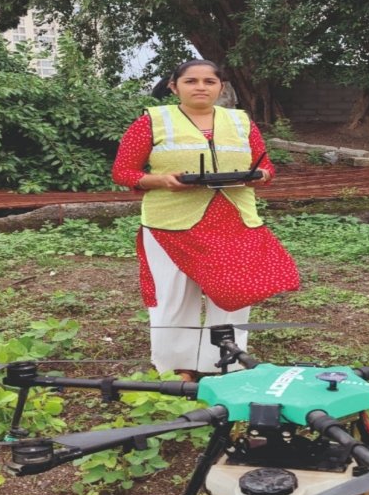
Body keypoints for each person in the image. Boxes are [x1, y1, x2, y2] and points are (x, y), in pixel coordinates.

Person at [112, 59, 300, 381]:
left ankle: (224, 365)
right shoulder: (152, 122)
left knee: (234, 295)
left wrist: (262, 175)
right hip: (170, 224)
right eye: (191, 81)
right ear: (174, 87)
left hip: (233, 221)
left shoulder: (241, 122)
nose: (201, 87)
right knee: (173, 298)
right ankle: (175, 371)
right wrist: (160, 180)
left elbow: (266, 164)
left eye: (209, 81)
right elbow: (123, 172)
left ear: (221, 87)